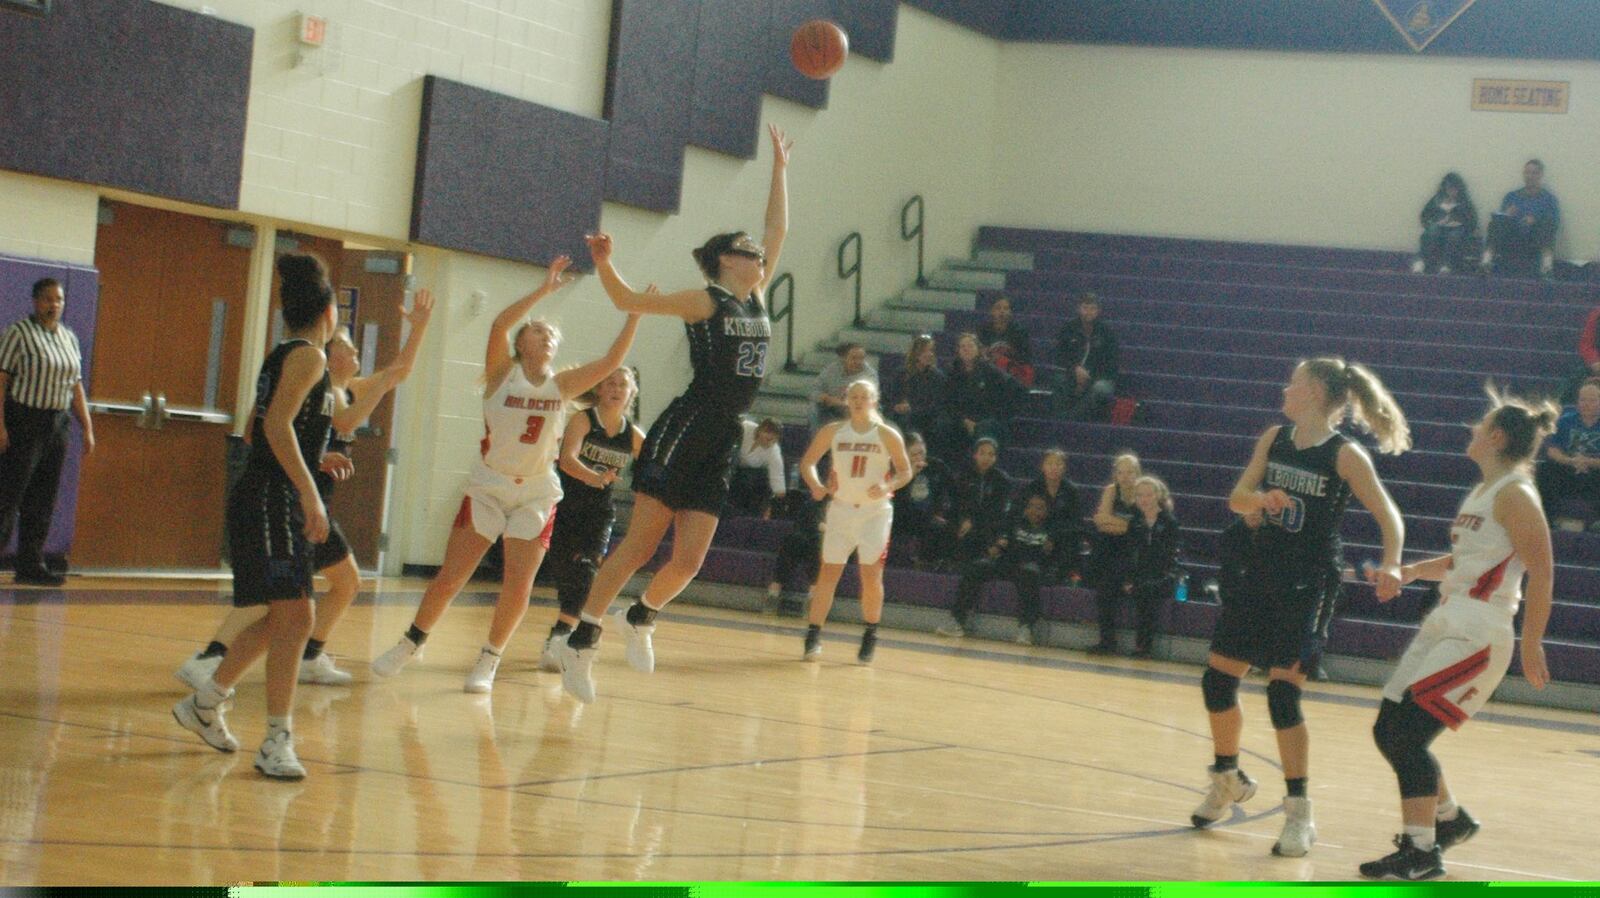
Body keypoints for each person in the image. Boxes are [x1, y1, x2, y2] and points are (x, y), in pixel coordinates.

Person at [555, 124, 792, 703]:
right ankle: (579, 642)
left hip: (721, 438)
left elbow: (777, 228)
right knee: (637, 547)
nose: (760, 257)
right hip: (684, 428)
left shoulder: (757, 295)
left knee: (688, 561)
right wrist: (605, 262)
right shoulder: (703, 300)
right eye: (749, 252)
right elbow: (628, 301)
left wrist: (779, 171)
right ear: (723, 261)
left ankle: (640, 616)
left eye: (761, 255)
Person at [370, 256, 641, 694]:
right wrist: (543, 290)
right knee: (451, 577)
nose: (547, 334)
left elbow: (613, 359)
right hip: (489, 487)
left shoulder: (564, 385)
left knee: (520, 583)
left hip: (536, 493)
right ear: (521, 344)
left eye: (551, 332)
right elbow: (498, 324)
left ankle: (489, 659)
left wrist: (633, 315)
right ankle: (411, 641)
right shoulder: (502, 374)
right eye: (537, 330)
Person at [1189, 357, 1410, 859]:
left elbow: (1389, 515)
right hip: (1258, 574)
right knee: (1217, 681)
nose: (1284, 389)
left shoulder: (1344, 454)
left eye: (1293, 382)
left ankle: (1299, 813)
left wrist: (1393, 562)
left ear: (1311, 391)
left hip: (1307, 587)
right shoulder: (1275, 438)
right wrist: (1259, 499)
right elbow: (1237, 498)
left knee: (1282, 698)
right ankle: (1226, 775)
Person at [176, 289, 435, 689]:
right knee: (273, 596)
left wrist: (418, 329)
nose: (355, 355)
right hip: (290, 500)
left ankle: (310, 655)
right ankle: (210, 656)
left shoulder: (344, 388)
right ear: (329, 356)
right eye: (347, 349)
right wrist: (318, 458)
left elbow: (399, 370)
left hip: (314, 504)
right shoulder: (319, 387)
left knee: (342, 583)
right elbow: (338, 425)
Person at [1358, 388, 1556, 881]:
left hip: (1481, 628)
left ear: (1495, 436)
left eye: (1479, 424)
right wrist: (1408, 572)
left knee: (1407, 737)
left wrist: (1531, 641)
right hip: (1450, 615)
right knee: (1388, 728)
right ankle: (1450, 820)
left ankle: (1421, 852)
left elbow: (1543, 571)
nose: (1471, 430)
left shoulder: (1515, 492)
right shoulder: (1484, 491)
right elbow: (1464, 561)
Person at [170, 254, 339, 780]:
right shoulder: (310, 356)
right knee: (298, 616)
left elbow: (254, 428)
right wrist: (310, 491)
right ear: (329, 312)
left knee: (286, 617)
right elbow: (274, 429)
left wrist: (313, 459)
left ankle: (206, 700)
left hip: (270, 494)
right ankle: (275, 740)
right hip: (273, 497)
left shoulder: (281, 355)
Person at [796, 379, 912, 664]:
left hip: (875, 512)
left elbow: (905, 471)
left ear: (874, 400)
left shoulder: (886, 434)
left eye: (864, 396)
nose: (858, 401)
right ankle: (813, 635)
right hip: (842, 509)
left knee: (870, 575)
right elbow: (807, 462)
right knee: (828, 573)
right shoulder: (834, 431)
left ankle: (870, 634)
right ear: (846, 400)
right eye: (854, 396)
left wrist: (887, 487)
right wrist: (816, 484)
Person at [537, 367, 644, 672]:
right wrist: (594, 476)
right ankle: (563, 634)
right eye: (609, 382)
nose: (615, 388)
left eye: (622, 384)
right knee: (566, 576)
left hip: (599, 513)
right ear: (598, 389)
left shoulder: (633, 434)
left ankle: (559, 639)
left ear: (630, 394)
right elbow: (567, 460)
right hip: (564, 506)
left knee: (586, 575)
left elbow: (653, 466)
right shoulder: (583, 420)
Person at [0, 278, 93, 586]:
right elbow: (1, 381)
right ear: (35, 301)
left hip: (57, 423)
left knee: (42, 498)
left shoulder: (68, 338)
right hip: (24, 419)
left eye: (58, 299)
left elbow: (75, 385)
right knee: (9, 495)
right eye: (47, 299)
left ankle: (30, 564)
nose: (53, 305)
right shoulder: (18, 334)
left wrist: (87, 427)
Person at [947, 493, 1055, 645]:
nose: (1034, 511)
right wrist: (996, 547)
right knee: (977, 567)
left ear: (1047, 511)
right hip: (1008, 563)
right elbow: (1002, 544)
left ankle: (1027, 627)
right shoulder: (1014, 523)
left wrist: (1044, 553)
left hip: (1029, 569)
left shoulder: (1051, 530)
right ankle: (956, 620)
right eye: (1030, 506)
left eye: (1039, 508)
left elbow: (1046, 558)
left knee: (1029, 574)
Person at [936, 437, 1012, 638]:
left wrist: (974, 522)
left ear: (996, 457)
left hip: (987, 536)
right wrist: (963, 520)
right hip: (965, 532)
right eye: (982, 453)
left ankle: (957, 619)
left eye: (991, 454)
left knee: (974, 568)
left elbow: (997, 514)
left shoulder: (1002, 481)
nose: (986, 458)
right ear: (975, 454)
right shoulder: (963, 477)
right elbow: (956, 505)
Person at [1118, 475, 1182, 658]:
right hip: (1140, 575)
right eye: (1139, 495)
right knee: (1110, 585)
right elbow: (1130, 554)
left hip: (1162, 576)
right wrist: (1128, 579)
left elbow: (1170, 557)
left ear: (1157, 496)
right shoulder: (1135, 523)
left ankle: (1143, 646)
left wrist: (1160, 577)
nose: (1144, 499)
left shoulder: (1169, 522)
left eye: (1148, 495)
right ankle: (1108, 641)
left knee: (1147, 590)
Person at [1087, 452, 1141, 654]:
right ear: (1116, 475)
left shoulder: (1143, 492)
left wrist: (1118, 523)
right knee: (1104, 589)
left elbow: (1141, 529)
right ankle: (1107, 641)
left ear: (1137, 473)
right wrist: (1128, 525)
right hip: (1110, 548)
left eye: (1129, 472)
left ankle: (1140, 645)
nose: (1125, 476)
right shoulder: (1111, 490)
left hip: (1133, 550)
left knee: (1116, 580)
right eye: (1121, 472)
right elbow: (1100, 522)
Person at [1535, 378, 1600, 531]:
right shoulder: (1564, 421)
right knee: (1545, 469)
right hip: (1569, 469)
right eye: (1583, 399)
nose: (1586, 404)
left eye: (1592, 400)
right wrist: (1570, 461)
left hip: (1595, 473)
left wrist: (1589, 462)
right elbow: (1552, 450)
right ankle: (1546, 520)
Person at [1482, 159, 1559, 278]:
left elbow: (1555, 222)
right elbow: (1502, 222)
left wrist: (1535, 221)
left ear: (1540, 175)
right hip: (1513, 238)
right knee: (1495, 223)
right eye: (1527, 172)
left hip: (1535, 238)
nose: (1530, 176)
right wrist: (1507, 215)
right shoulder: (1511, 196)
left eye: (1534, 173)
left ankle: (1547, 268)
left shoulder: (1549, 199)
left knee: (1547, 224)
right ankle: (1485, 263)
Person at [888, 432, 956, 569]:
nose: (919, 457)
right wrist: (909, 475)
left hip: (930, 515)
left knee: (944, 527)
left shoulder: (937, 467)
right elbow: (893, 499)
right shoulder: (897, 470)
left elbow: (952, 492)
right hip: (902, 517)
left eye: (921, 453)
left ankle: (935, 565)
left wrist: (942, 512)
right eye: (914, 455)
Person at [1016, 447, 1082, 583]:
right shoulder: (1032, 488)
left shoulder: (1071, 491)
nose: (1054, 467)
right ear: (1042, 466)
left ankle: (1060, 574)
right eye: (1050, 463)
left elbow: (1074, 521)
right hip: (1035, 533)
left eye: (1058, 464)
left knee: (1071, 539)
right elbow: (1023, 515)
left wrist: (1053, 535)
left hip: (1061, 536)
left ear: (1064, 468)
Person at [1053, 293, 1118, 421]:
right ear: (1078, 309)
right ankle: (1059, 420)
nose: (1088, 312)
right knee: (1058, 380)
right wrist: (1075, 370)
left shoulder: (1107, 332)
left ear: (1098, 311)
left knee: (1101, 389)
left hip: (1099, 377)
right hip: (1072, 374)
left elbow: (1111, 364)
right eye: (1085, 308)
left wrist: (1088, 376)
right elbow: (1060, 357)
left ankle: (1069, 419)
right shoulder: (1068, 329)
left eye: (1092, 308)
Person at [944, 332, 1007, 451]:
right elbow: (948, 402)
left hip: (984, 418)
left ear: (978, 349)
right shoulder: (951, 372)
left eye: (970, 345)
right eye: (963, 346)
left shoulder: (991, 372)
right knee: (943, 425)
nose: (967, 349)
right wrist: (963, 420)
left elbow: (996, 401)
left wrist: (976, 421)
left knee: (986, 427)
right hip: (959, 418)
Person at [1411, 172, 1479, 275]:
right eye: (1449, 189)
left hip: (1457, 228)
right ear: (1444, 189)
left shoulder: (1465, 202)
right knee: (1432, 232)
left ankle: (1446, 265)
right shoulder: (1437, 199)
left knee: (1454, 236)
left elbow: (1472, 220)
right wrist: (1430, 224)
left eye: (1455, 189)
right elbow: (1424, 215)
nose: (1452, 192)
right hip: (1439, 226)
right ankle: (1420, 263)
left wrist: (1460, 220)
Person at [885, 334, 946, 446]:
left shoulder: (937, 377)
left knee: (910, 421)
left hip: (926, 417)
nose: (929, 354)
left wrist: (912, 408)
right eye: (924, 351)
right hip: (901, 415)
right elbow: (890, 397)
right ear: (915, 353)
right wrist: (896, 406)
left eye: (931, 351)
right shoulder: (901, 373)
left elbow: (937, 405)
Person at [810, 342, 877, 433]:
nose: (858, 362)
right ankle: (819, 442)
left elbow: (869, 399)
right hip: (831, 408)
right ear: (844, 358)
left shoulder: (870, 374)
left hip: (857, 408)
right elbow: (814, 391)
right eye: (854, 358)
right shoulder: (831, 369)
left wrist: (843, 403)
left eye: (861, 358)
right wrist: (827, 398)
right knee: (815, 409)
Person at [728, 417, 786, 517]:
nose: (770, 442)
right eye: (768, 436)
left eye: (774, 439)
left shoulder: (774, 451)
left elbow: (777, 476)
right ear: (759, 430)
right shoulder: (745, 428)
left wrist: (779, 498)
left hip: (749, 478)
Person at [976, 297, 1033, 366]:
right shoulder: (983, 330)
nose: (1002, 311)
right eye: (998, 308)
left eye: (1006, 308)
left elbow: (1025, 357)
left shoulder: (1020, 331)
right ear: (992, 311)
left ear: (1010, 312)